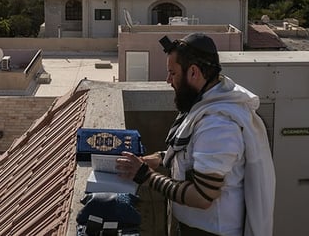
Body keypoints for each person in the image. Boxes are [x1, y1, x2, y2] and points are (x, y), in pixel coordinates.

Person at [116, 33, 276, 236]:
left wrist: (144, 175)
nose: (168, 80)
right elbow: (190, 156)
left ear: (193, 72)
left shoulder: (218, 126)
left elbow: (202, 196)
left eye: (172, 73)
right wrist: (155, 159)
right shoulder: (207, 103)